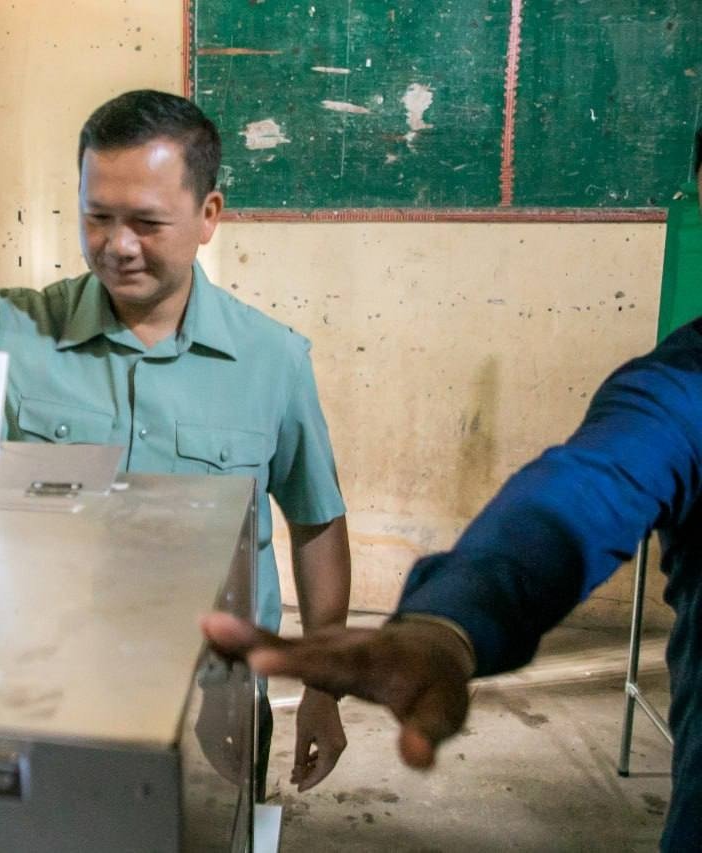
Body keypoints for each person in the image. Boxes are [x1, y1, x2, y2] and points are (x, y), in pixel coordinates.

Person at [0, 90, 352, 792]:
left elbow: (315, 522)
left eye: (146, 222)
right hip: (49, 688)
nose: (118, 245)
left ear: (208, 216)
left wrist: (323, 685)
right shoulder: (16, 330)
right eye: (97, 217)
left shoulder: (272, 360)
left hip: (216, 695)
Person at [203, 313, 702, 849]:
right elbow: (579, 496)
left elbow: (316, 517)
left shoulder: (271, 354)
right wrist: (450, 622)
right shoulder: (686, 383)